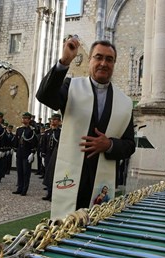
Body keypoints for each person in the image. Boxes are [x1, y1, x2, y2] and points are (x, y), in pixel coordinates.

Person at [36, 38, 136, 219]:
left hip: (101, 182)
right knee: (63, 232)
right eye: (98, 57)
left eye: (109, 59)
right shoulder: (71, 87)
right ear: (90, 59)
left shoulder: (125, 102)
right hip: (69, 175)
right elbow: (44, 96)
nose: (103, 63)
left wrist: (109, 145)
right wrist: (64, 61)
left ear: (114, 64)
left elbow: (129, 145)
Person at [13, 112, 38, 196]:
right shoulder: (19, 130)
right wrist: (15, 150)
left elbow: (34, 143)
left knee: (26, 172)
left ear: (29, 120)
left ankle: (24, 189)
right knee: (19, 172)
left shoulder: (32, 130)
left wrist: (32, 153)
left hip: (27, 154)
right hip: (19, 153)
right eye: (23, 118)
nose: (24, 120)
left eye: (26, 118)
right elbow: (16, 141)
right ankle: (19, 188)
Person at [41, 113, 62, 201]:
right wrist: (43, 155)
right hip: (48, 156)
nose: (53, 121)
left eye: (55, 120)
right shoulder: (47, 132)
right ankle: (49, 193)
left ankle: (54, 194)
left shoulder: (60, 132)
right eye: (52, 119)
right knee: (48, 175)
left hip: (56, 156)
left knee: (55, 176)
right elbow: (44, 144)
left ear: (59, 121)